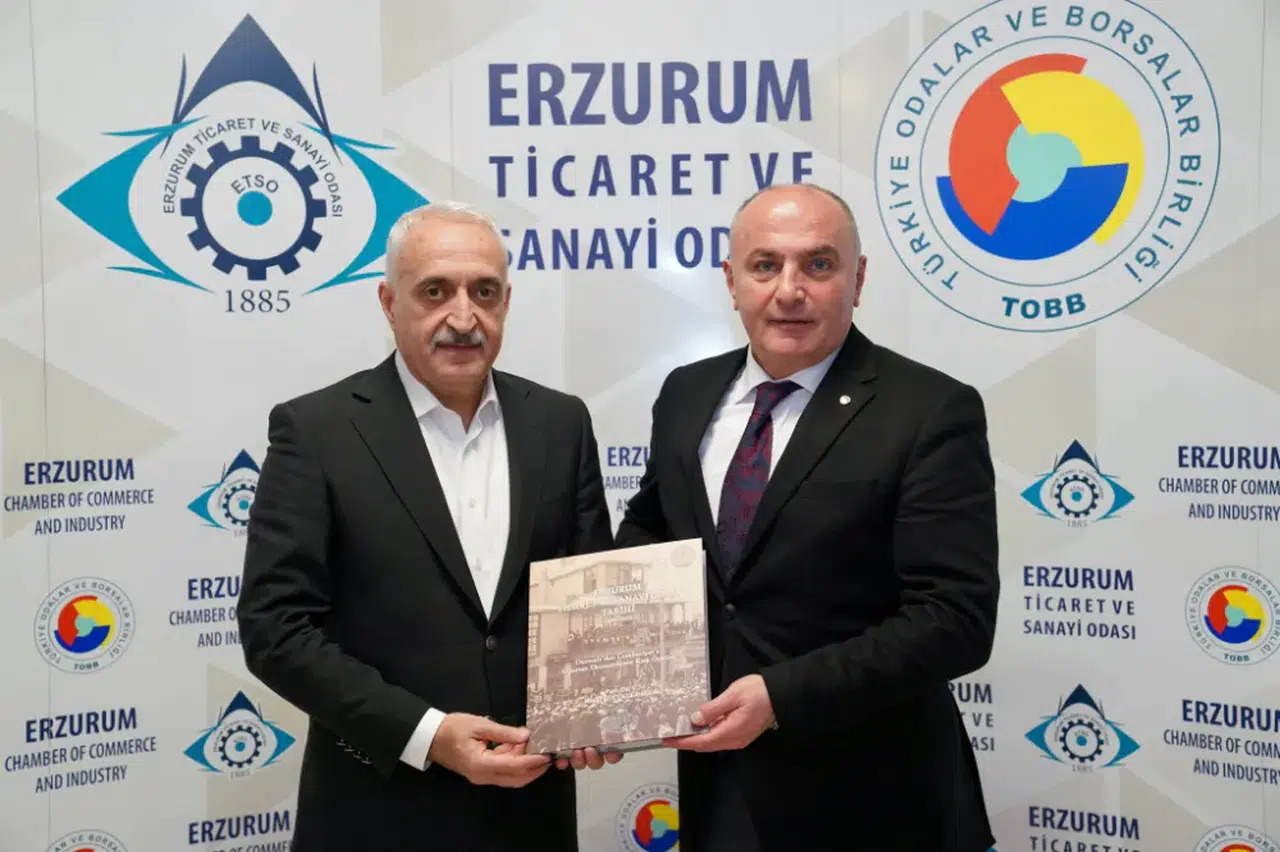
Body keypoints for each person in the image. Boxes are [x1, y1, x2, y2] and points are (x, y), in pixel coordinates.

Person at [617, 183, 1000, 851]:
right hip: (719, 788)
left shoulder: (930, 410)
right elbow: (653, 531)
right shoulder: (686, 393)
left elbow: (955, 620)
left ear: (858, 280)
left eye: (818, 265)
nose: (789, 290)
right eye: (765, 265)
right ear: (732, 281)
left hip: (874, 800)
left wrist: (781, 697)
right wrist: (604, 676)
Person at [237, 202, 618, 851]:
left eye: (484, 292)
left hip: (531, 815)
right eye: (435, 291)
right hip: (379, 813)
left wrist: (596, 706)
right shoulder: (317, 432)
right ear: (390, 303)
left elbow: (592, 600)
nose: (463, 318)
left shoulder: (561, 424)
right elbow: (275, 630)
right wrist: (429, 735)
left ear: (506, 301)